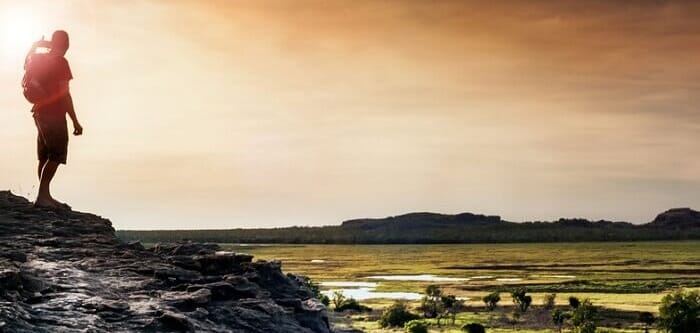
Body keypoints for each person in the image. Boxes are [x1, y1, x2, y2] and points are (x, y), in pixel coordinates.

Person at [27, 30, 83, 209]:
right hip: (53, 114)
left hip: (39, 112)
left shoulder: (39, 58)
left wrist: (36, 46)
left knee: (44, 155)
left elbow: (25, 65)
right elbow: (64, 94)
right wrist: (75, 120)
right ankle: (43, 197)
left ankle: (45, 195)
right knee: (56, 154)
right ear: (65, 44)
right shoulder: (61, 62)